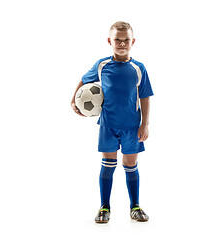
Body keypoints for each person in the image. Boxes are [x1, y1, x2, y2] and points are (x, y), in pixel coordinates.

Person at [71, 21, 153, 223]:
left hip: (132, 126)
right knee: (108, 164)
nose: (122, 43)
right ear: (110, 40)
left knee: (130, 164)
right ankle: (104, 207)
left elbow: (145, 97)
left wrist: (145, 124)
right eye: (118, 39)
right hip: (108, 125)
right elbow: (84, 80)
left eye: (126, 40)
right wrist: (74, 100)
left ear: (133, 41)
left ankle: (135, 206)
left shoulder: (139, 68)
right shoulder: (102, 65)